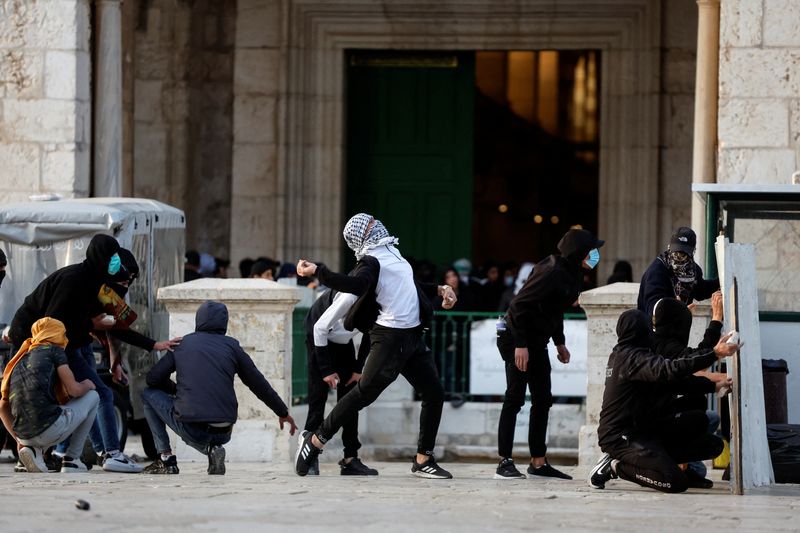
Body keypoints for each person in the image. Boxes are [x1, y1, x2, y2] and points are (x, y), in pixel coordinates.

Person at [294, 213, 457, 479]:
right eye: (369, 223)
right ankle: (315, 442)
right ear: (362, 235)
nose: (376, 223)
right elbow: (357, 284)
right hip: (390, 337)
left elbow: (408, 286)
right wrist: (318, 271)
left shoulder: (392, 251)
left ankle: (423, 459)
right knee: (362, 394)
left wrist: (439, 289)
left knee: (434, 393)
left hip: (413, 336)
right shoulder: (369, 261)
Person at [9, 234, 141, 473]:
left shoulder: (99, 284)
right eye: (112, 257)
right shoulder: (77, 281)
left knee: (44, 394)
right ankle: (88, 455)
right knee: (93, 393)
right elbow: (55, 322)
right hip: (46, 343)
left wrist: (149, 347)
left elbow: (120, 327)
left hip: (56, 342)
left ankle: (34, 453)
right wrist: (91, 327)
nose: (126, 279)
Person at [589, 309, 738, 493]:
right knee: (675, 482)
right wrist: (714, 353)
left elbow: (672, 382)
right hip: (620, 437)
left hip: (645, 429)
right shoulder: (629, 358)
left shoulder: (636, 354)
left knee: (712, 444)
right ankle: (614, 466)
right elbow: (669, 370)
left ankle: (658, 461)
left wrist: (714, 386)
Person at [494, 229, 603, 480]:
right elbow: (519, 305)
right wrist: (520, 345)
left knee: (543, 399)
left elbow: (555, 310)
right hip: (516, 337)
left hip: (537, 340)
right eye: (591, 250)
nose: (595, 254)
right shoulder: (552, 271)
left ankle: (538, 462)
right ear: (579, 252)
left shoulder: (573, 273)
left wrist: (560, 343)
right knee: (515, 398)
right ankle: (504, 462)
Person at [142, 300, 297, 475]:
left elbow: (152, 379)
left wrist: (175, 389)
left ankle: (166, 459)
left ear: (198, 320)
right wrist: (283, 412)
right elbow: (259, 384)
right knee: (201, 424)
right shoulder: (232, 346)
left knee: (148, 393)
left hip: (193, 428)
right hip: (224, 431)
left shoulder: (182, 344)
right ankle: (214, 448)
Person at [0, 318, 99, 473]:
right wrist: (87, 384)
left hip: (25, 436)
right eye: (63, 334)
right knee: (93, 396)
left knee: (46, 408)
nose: (65, 338)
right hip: (49, 430)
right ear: (56, 334)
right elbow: (74, 390)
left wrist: (19, 439)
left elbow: (2, 407)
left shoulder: (20, 359)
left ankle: (33, 452)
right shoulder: (55, 351)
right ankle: (72, 459)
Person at [651, 292, 727, 488]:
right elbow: (698, 362)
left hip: (656, 417)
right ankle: (677, 462)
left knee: (700, 406)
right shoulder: (666, 348)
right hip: (652, 426)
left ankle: (681, 463)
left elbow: (686, 377)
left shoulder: (657, 341)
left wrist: (713, 384)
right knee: (707, 425)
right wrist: (716, 319)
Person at [301, 286, 377, 476]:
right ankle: (310, 456)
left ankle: (351, 458)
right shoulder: (347, 298)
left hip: (344, 345)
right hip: (319, 340)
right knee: (317, 400)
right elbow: (318, 329)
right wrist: (326, 370)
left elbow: (370, 334)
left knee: (351, 401)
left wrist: (358, 369)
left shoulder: (380, 303)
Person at [638, 227, 719, 318]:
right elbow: (653, 308)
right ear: (669, 248)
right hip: (654, 329)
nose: (678, 257)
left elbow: (700, 290)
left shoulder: (693, 270)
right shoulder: (656, 272)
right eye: (676, 252)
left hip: (679, 327)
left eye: (684, 253)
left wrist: (721, 282)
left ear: (693, 252)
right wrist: (677, 309)